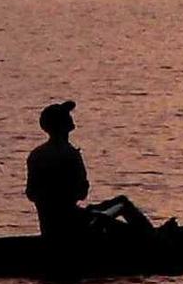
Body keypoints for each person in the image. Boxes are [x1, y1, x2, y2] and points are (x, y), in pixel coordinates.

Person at [26, 101, 153, 240]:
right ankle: (156, 240)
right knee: (122, 204)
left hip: (50, 227)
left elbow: (31, 193)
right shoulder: (71, 154)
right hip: (76, 228)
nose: (70, 117)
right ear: (64, 124)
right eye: (66, 115)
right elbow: (81, 193)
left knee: (113, 207)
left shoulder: (35, 155)